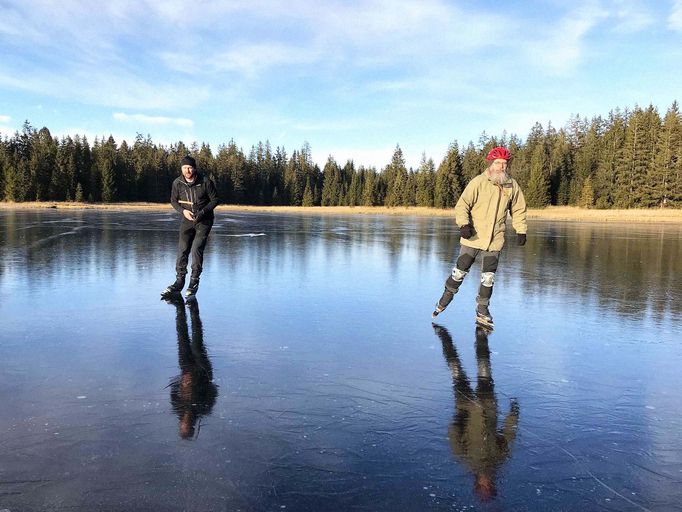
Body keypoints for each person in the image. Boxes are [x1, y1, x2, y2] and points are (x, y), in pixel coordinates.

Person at [432, 146, 527, 328]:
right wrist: (464, 225)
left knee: (488, 277)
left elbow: (519, 209)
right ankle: (444, 300)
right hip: (473, 237)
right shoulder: (479, 182)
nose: (502, 167)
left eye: (505, 164)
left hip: (495, 238)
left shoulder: (511, 185)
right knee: (459, 272)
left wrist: (521, 230)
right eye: (498, 163)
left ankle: (482, 310)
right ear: (491, 164)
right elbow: (462, 205)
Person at [432, 323, 519, 502]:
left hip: (466, 406)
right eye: (489, 485)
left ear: (478, 483)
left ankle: (443, 336)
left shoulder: (465, 459)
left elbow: (454, 433)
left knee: (456, 368)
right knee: (484, 367)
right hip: (488, 404)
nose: (487, 482)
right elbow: (508, 434)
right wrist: (513, 414)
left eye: (484, 485)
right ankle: (481, 336)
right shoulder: (499, 459)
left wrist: (462, 415)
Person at [162, 155, 219, 299]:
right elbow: (173, 201)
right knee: (182, 249)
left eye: (189, 167)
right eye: (184, 168)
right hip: (187, 219)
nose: (187, 170)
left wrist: (202, 212)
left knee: (196, 249)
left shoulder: (205, 181)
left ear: (194, 168)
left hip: (204, 220)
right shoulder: (177, 183)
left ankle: (194, 281)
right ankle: (179, 281)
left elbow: (215, 199)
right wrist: (183, 211)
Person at [168, 298, 218, 439]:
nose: (185, 423)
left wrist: (181, 381)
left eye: (183, 426)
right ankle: (193, 308)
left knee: (182, 337)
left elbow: (173, 390)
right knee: (197, 341)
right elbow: (213, 390)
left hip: (186, 370)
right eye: (187, 426)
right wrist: (199, 383)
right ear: (192, 426)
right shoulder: (204, 409)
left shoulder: (177, 407)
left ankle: (179, 308)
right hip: (202, 369)